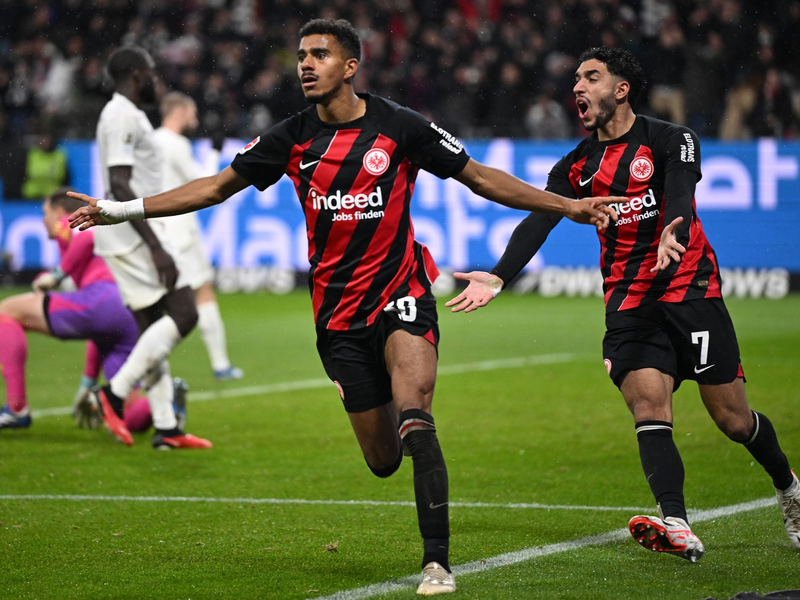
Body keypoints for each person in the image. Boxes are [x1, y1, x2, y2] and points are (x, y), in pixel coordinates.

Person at [68, 20, 620, 594]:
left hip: (402, 292)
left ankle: (437, 563)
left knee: (416, 414)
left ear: (350, 66)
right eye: (301, 55)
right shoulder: (291, 137)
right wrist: (119, 210)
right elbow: (213, 188)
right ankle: (367, 391)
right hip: (337, 316)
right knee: (383, 460)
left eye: (320, 54)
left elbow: (479, 178)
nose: (305, 64)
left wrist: (567, 206)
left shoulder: (399, 125)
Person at [446, 46, 800, 561]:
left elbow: (680, 192)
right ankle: (676, 522)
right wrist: (500, 275)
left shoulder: (671, 138)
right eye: (576, 78)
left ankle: (789, 488)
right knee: (649, 406)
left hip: (690, 289)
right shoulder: (575, 165)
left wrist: (673, 230)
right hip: (629, 301)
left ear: (621, 89)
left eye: (591, 77)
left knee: (733, 420)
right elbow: (540, 218)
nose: (578, 86)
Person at [88, 46, 210, 450]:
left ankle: (166, 428)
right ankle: (115, 393)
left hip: (128, 234)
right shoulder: (120, 114)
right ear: (137, 74)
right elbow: (119, 183)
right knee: (185, 312)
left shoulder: (129, 114)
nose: (156, 82)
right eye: (152, 73)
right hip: (133, 235)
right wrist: (156, 246)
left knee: (153, 328)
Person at [0, 189, 137, 429]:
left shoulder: (71, 221)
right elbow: (99, 329)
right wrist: (88, 382)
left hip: (101, 299)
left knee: (6, 312)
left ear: (60, 212)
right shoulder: (92, 253)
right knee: (128, 409)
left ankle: (16, 407)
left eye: (46, 213)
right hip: (126, 312)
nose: (44, 220)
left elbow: (85, 236)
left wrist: (57, 274)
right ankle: (167, 411)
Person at [151, 91, 243, 380]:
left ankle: (146, 364)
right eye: (192, 112)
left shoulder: (150, 140)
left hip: (154, 230)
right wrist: (215, 152)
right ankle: (220, 365)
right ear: (179, 111)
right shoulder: (176, 143)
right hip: (180, 230)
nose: (196, 118)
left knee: (157, 302)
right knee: (201, 293)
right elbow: (204, 183)